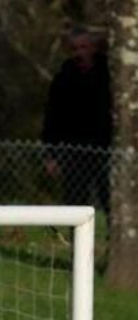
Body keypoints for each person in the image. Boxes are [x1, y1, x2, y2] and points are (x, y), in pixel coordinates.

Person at [41, 27, 111, 211]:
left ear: (93, 48)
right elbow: (52, 117)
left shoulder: (109, 74)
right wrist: (50, 155)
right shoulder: (64, 77)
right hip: (73, 151)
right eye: (75, 49)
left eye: (84, 47)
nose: (80, 53)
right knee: (74, 202)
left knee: (111, 200)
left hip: (106, 148)